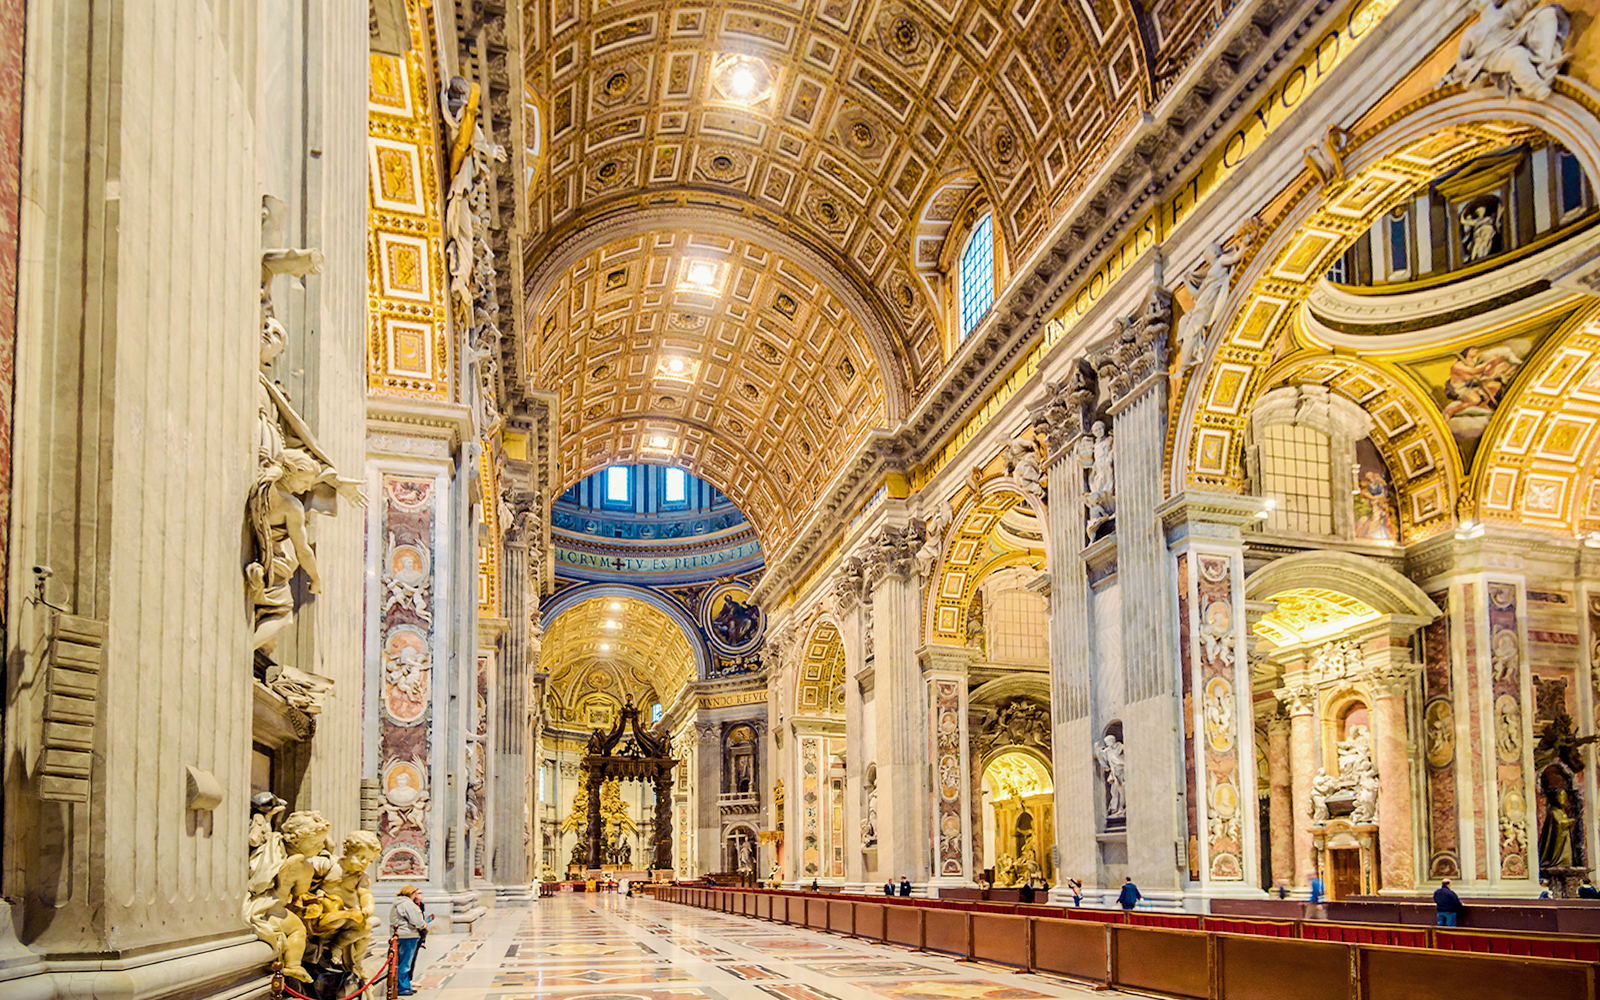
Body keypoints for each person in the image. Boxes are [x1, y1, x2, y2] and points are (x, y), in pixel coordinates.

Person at [390, 885, 429, 996]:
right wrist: (423, 925)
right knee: (405, 962)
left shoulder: (397, 903)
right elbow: (416, 920)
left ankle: (403, 984)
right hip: (408, 934)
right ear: (410, 893)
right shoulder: (408, 904)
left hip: (400, 934)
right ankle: (402, 987)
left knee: (401, 960)